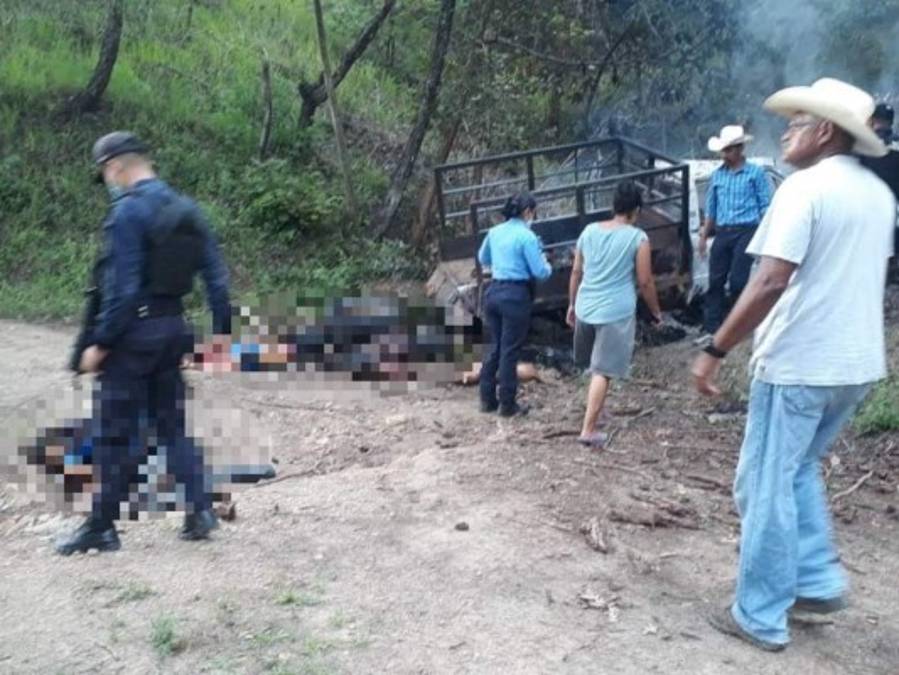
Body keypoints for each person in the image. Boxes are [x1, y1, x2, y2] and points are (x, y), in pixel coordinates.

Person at [691, 78, 895, 651]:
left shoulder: (804, 189)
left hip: (801, 361)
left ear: (825, 131)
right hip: (856, 364)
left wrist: (715, 350)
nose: (785, 134)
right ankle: (816, 581)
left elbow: (770, 280)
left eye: (796, 123)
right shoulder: (878, 194)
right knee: (796, 469)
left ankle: (759, 614)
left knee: (764, 483)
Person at [56, 131, 232, 555]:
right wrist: (220, 337)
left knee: (114, 432)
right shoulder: (189, 210)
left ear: (115, 166)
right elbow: (217, 281)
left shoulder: (128, 213)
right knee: (171, 425)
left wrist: (101, 343)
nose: (108, 181)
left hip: (133, 339)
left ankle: (101, 527)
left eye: (106, 173)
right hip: (173, 331)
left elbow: (124, 290)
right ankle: (200, 512)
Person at [566, 181, 662, 447]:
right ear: (636, 210)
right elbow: (645, 281)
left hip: (586, 306)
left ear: (613, 205)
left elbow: (576, 271)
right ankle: (588, 430)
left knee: (594, 366)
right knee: (603, 370)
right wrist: (656, 311)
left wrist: (572, 304)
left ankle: (599, 410)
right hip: (614, 312)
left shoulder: (589, 231)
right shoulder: (638, 238)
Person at [477, 192, 551, 416]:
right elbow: (540, 272)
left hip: (494, 292)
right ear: (528, 211)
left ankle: (487, 399)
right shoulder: (527, 237)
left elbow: (483, 258)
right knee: (510, 351)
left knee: (496, 347)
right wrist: (546, 261)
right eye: (533, 212)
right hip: (515, 295)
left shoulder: (494, 232)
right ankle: (507, 404)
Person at [698, 125, 773, 338]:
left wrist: (766, 234)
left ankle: (738, 322)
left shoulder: (755, 173)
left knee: (738, 281)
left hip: (746, 230)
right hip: (723, 231)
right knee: (716, 280)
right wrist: (704, 236)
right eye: (723, 150)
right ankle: (712, 326)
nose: (724, 155)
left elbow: (765, 206)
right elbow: (711, 209)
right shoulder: (717, 176)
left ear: (739, 149)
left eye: (728, 150)